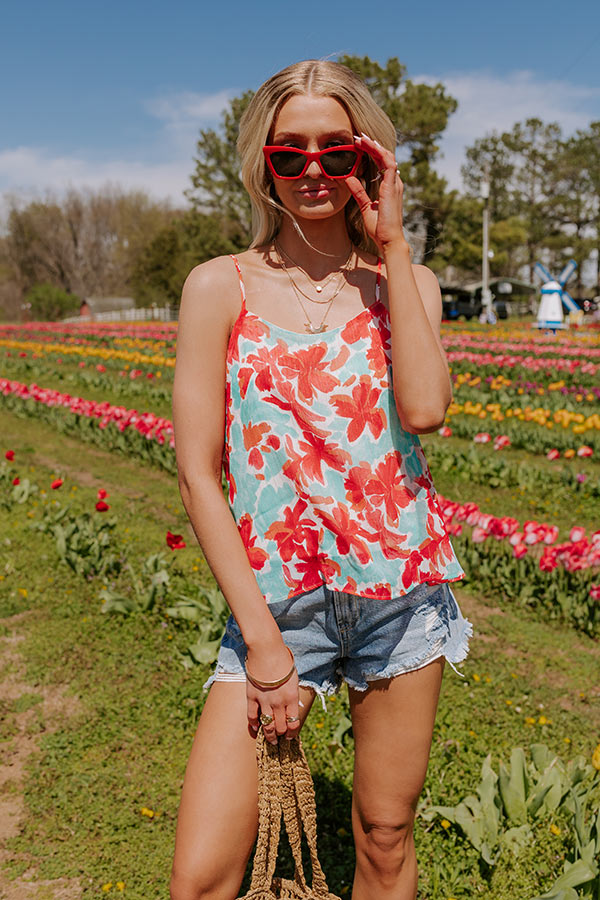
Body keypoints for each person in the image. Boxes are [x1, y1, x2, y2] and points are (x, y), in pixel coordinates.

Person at [170, 59, 472, 900]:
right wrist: (264, 649)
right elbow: (197, 473)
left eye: (335, 152)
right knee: (200, 879)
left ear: (365, 162)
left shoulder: (404, 284)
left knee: (382, 837)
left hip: (398, 597)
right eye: (289, 152)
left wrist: (396, 240)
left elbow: (424, 410)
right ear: (263, 161)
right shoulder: (216, 287)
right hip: (275, 603)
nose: (312, 170)